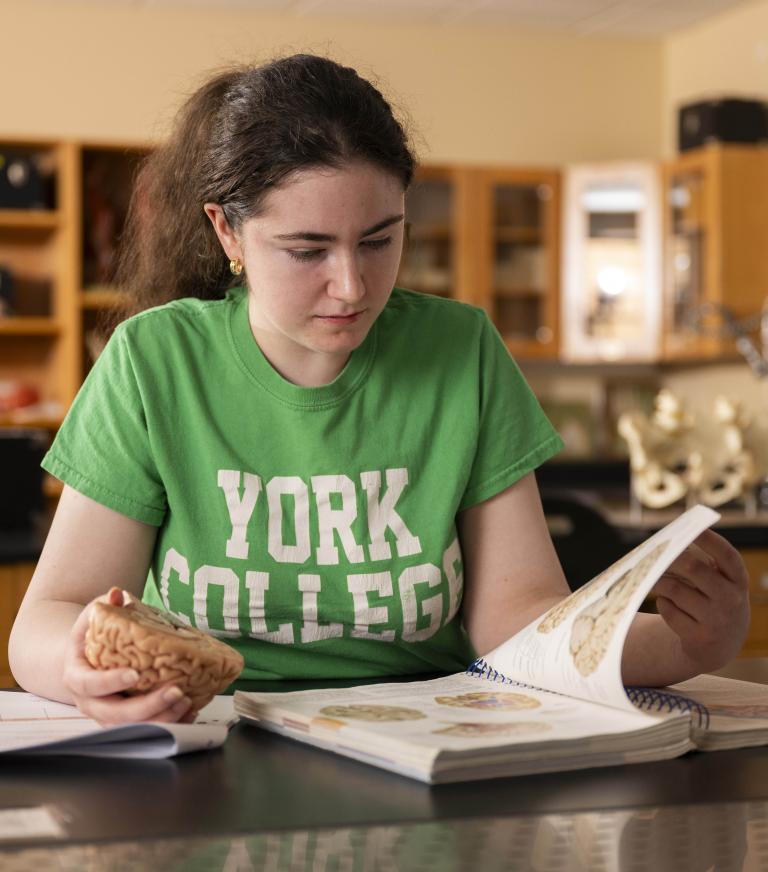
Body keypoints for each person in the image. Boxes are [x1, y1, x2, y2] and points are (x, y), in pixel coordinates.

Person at [8, 54, 750, 726]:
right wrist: (77, 670)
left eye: (379, 239)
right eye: (307, 250)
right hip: (214, 733)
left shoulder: (463, 351)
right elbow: (48, 619)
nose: (352, 286)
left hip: (429, 736)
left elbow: (521, 629)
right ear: (228, 234)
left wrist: (688, 645)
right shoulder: (153, 361)